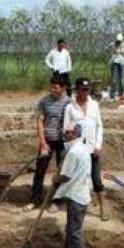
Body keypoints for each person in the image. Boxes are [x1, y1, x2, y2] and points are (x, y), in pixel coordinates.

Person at [62, 77, 109, 221]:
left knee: (97, 180)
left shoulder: (94, 105)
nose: (86, 92)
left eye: (88, 90)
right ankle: (77, 210)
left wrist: (98, 146)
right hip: (78, 150)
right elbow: (66, 131)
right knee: (78, 181)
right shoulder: (70, 107)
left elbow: (99, 126)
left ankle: (103, 209)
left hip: (92, 150)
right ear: (77, 90)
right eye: (83, 90)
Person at [54, 124, 95, 248]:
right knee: (71, 230)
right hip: (82, 195)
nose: (64, 134)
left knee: (74, 233)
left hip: (76, 196)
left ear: (74, 134)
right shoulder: (83, 148)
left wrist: (56, 178)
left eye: (68, 132)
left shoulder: (73, 152)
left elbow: (66, 176)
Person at [27, 77, 72, 213]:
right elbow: (40, 122)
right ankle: (35, 200)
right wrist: (43, 143)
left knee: (61, 172)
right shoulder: (44, 102)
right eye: (51, 87)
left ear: (63, 88)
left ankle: (57, 202)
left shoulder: (69, 103)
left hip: (63, 142)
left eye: (55, 87)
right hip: (47, 141)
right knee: (40, 171)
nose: (52, 90)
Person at [109, 33, 124, 100]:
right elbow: (108, 48)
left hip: (122, 62)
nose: (119, 42)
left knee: (122, 78)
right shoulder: (113, 44)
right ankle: (112, 94)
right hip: (115, 62)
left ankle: (121, 93)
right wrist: (112, 54)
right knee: (114, 79)